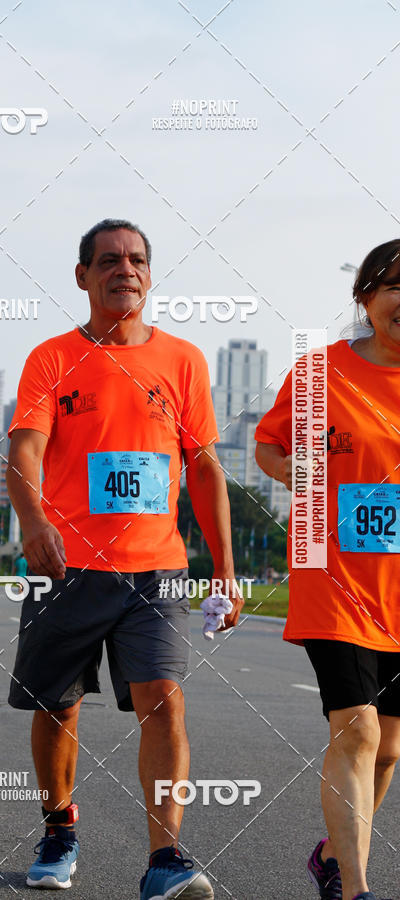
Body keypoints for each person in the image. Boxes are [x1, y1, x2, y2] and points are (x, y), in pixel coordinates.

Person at [6, 219, 243, 899]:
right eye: (109, 260)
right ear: (83, 275)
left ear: (149, 272)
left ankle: (165, 859)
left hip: (156, 570)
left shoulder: (184, 361)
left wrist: (223, 567)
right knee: (57, 708)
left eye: (137, 259)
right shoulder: (52, 360)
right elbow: (24, 449)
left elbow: (202, 468)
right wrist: (33, 522)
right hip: (67, 567)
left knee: (164, 703)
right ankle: (59, 829)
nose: (125, 270)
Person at [255, 239, 400, 900]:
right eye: (394, 285)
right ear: (366, 297)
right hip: (333, 577)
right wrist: (294, 471)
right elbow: (267, 444)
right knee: (359, 728)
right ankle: (358, 889)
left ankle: (334, 856)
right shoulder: (320, 375)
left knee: (390, 748)